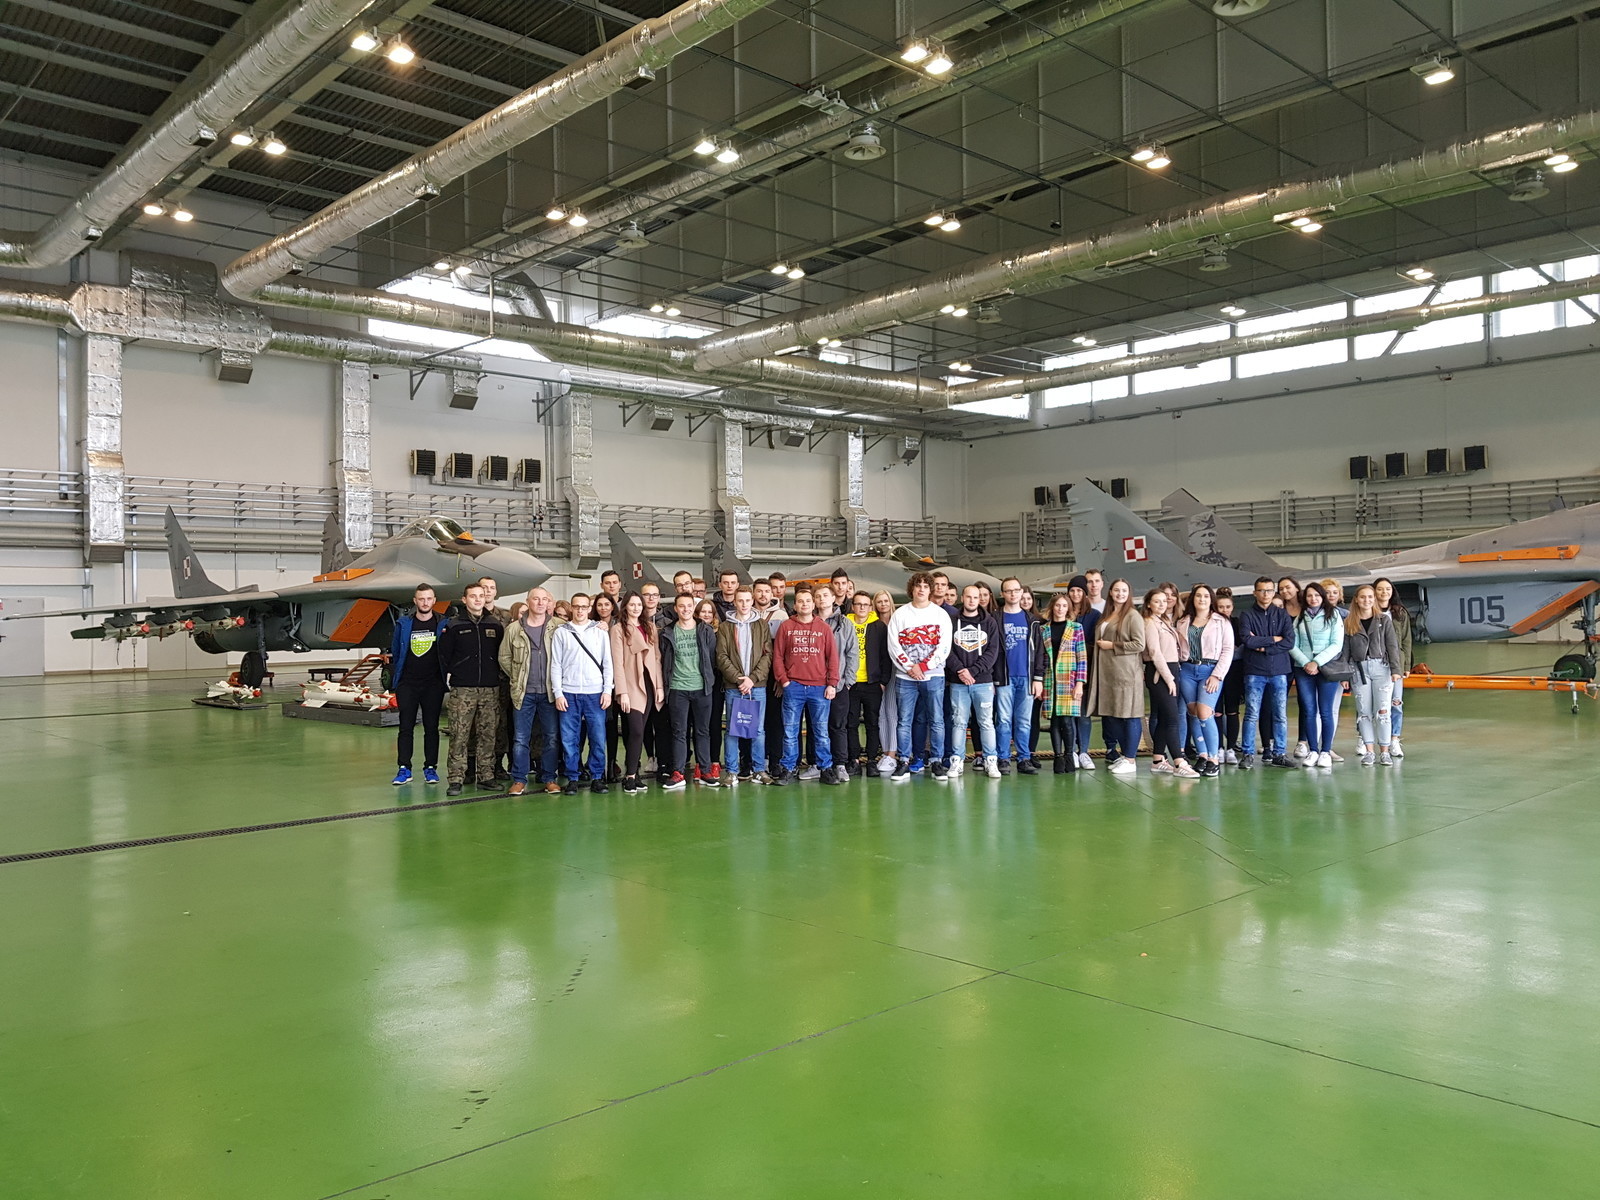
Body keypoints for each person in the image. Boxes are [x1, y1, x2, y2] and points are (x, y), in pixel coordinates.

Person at [438, 582, 505, 796]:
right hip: (463, 689)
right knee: (459, 734)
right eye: (473, 596)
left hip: (490, 689)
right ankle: (456, 778)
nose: (478, 599)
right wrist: (457, 672)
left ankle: (486, 775)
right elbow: (444, 655)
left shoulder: (495, 625)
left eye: (481, 596)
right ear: (464, 599)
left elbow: (501, 654)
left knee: (488, 734)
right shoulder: (454, 625)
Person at [886, 572, 954, 783]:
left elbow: (944, 646)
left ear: (930, 589)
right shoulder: (900, 614)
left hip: (934, 676)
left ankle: (936, 761)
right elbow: (893, 645)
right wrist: (910, 667)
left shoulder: (940, 615)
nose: (922, 589)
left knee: (937, 720)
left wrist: (924, 666)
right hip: (905, 677)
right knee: (904, 721)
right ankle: (903, 761)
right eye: (918, 585)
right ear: (912, 589)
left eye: (926, 586)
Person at [772, 587, 840, 785]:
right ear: (795, 605)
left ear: (813, 604)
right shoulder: (786, 627)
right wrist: (784, 680)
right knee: (790, 731)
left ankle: (825, 768)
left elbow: (832, 658)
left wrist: (832, 683)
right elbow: (778, 656)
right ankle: (788, 768)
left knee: (821, 732)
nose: (804, 604)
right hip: (793, 686)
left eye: (808, 601)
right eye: (800, 601)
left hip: (819, 688)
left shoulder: (823, 628)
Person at [499, 586, 563, 795]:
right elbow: (504, 657)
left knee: (551, 736)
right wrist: (518, 676)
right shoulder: (514, 629)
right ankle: (519, 779)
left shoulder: (559, 627)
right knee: (520, 738)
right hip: (523, 693)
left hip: (550, 693)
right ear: (528, 602)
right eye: (536, 599)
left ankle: (549, 778)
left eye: (545, 599)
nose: (541, 603)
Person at [550, 593, 613, 796]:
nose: (580, 610)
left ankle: (597, 777)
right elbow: (556, 664)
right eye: (576, 606)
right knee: (569, 738)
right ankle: (573, 777)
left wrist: (607, 690)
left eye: (584, 607)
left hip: (595, 693)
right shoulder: (561, 633)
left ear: (589, 609)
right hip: (569, 693)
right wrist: (558, 693)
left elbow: (607, 663)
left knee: (598, 737)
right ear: (571, 608)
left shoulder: (600, 632)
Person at [389, 583, 449, 786]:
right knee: (405, 727)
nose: (425, 602)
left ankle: (430, 768)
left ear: (434, 600)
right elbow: (396, 651)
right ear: (415, 601)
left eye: (428, 599)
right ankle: (404, 768)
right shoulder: (403, 624)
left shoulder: (443, 623)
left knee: (431, 727)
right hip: (408, 684)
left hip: (433, 684)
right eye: (421, 599)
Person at [660, 593, 720, 789]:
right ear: (675, 609)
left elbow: (711, 658)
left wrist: (708, 681)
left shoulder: (706, 630)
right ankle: (678, 772)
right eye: (681, 606)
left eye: (689, 605)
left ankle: (705, 771)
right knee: (679, 732)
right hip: (678, 688)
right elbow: (664, 659)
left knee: (703, 731)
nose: (685, 609)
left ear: (693, 608)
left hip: (702, 688)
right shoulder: (667, 632)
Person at [1086, 579, 1145, 775]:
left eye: (1124, 590)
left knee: (1130, 715)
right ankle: (1124, 756)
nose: (1120, 594)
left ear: (1129, 593)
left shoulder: (1132, 615)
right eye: (1117, 590)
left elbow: (1139, 644)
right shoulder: (1107, 614)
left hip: (1125, 673)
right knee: (1114, 715)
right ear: (1110, 592)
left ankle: (1131, 759)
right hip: (1108, 673)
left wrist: (1112, 646)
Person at [715, 585, 773, 784]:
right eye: (740, 600)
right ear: (735, 602)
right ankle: (732, 771)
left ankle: (759, 770)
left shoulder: (762, 625)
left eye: (748, 600)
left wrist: (752, 679)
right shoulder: (725, 627)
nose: (744, 604)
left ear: (752, 601)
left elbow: (767, 655)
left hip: (757, 687)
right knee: (733, 730)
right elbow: (721, 656)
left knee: (758, 730)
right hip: (734, 688)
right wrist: (739, 679)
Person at [1238, 576, 1295, 769]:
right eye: (1262, 590)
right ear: (1255, 593)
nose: (1266, 594)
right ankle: (1247, 754)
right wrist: (1274, 639)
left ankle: (1279, 753)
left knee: (1280, 714)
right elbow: (1248, 640)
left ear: (1274, 592)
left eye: (1269, 590)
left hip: (1279, 670)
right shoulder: (1246, 615)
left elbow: (1289, 641)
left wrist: (1264, 647)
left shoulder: (1282, 614)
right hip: (1255, 671)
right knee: (1251, 714)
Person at [1175, 583, 1232, 778]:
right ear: (1193, 599)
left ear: (1211, 599)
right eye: (1198, 595)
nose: (1202, 599)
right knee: (1193, 712)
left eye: (1206, 596)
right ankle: (1202, 755)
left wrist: (1217, 675)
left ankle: (1214, 759)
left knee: (1205, 712)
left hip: (1210, 670)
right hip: (1187, 670)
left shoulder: (1221, 621)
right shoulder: (1183, 621)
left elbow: (1227, 650)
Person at [1345, 584, 1405, 766]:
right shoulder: (1349, 622)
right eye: (1363, 597)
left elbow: (1392, 646)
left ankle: (1385, 751)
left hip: (1382, 668)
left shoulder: (1383, 620)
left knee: (1383, 711)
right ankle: (1369, 751)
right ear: (1356, 600)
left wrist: (1396, 670)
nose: (1367, 600)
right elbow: (1345, 650)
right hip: (1359, 669)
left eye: (1370, 597)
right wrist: (1345, 675)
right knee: (1364, 712)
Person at [611, 592, 664, 793]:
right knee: (636, 730)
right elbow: (617, 662)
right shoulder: (618, 629)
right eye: (632, 604)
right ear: (625, 606)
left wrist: (659, 686)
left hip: (649, 683)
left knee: (640, 731)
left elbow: (657, 658)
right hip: (631, 684)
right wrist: (622, 692)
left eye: (638, 605)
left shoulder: (650, 627)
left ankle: (633, 774)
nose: (636, 608)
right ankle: (630, 776)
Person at [946, 584, 1001, 777]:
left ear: (980, 600)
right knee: (959, 722)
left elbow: (992, 652)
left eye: (975, 597)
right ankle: (957, 761)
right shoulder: (951, 621)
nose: (972, 600)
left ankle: (990, 760)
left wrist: (973, 671)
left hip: (983, 682)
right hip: (958, 682)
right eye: (968, 597)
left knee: (986, 722)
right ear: (962, 598)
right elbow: (946, 649)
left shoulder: (990, 622)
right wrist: (960, 671)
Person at [1291, 580, 1345, 769]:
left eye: (1317, 595)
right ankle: (1313, 750)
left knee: (1326, 711)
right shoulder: (1300, 617)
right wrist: (1306, 662)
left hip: (1327, 668)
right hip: (1303, 669)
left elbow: (1336, 644)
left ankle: (1325, 751)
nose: (1313, 599)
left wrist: (1317, 662)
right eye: (1309, 595)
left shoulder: (1334, 615)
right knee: (1308, 710)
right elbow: (1292, 644)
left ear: (1322, 597)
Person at [1143, 588, 1197, 777]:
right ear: (1148, 604)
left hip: (1172, 669)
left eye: (1164, 601)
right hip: (1160, 673)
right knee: (1173, 718)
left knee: (1165, 718)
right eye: (1156, 601)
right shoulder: (1149, 622)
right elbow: (1155, 652)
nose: (1161, 604)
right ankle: (1179, 761)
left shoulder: (1164, 621)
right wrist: (1169, 678)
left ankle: (1158, 759)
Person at [995, 577, 1043, 775]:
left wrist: (1038, 678)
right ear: (1002, 594)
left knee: (1024, 721)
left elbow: (1039, 651)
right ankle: (1003, 758)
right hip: (1003, 678)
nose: (1013, 594)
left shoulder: (1032, 621)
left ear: (1022, 592)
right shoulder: (995, 619)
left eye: (1016, 590)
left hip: (1026, 677)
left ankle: (1024, 758)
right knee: (1003, 720)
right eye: (1009, 591)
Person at [816, 584, 860, 784]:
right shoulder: (809, 622)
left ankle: (840, 764)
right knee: (817, 726)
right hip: (814, 684)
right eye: (818, 596)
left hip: (839, 684)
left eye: (825, 595)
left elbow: (852, 653)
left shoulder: (845, 623)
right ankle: (817, 764)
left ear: (833, 598)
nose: (822, 599)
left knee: (838, 724)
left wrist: (848, 681)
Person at [1039, 592, 1088, 774]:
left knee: (1067, 720)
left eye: (1064, 606)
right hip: (1050, 680)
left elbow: (1082, 657)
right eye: (1057, 605)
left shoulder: (1076, 628)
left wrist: (1080, 683)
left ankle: (1069, 755)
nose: (1060, 609)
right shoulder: (1043, 629)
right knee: (1054, 721)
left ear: (1068, 609)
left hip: (1069, 680)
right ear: (1052, 607)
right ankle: (1057, 757)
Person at [844, 590, 887, 772]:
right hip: (850, 683)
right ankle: (853, 759)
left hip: (872, 683)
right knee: (851, 722)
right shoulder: (845, 623)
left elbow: (885, 655)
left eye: (865, 604)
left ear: (870, 607)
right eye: (858, 604)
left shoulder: (879, 626)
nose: (862, 607)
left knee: (872, 722)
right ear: (853, 606)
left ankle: (871, 760)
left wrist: (883, 680)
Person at [1373, 577, 1412, 757]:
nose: (1384, 592)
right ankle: (1365, 738)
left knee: (1396, 703)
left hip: (1395, 664)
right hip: (1374, 662)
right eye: (1380, 589)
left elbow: (1406, 640)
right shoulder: (1368, 611)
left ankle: (1394, 739)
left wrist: (1406, 665)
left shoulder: (1400, 613)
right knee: (1370, 704)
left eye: (1388, 589)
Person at [1067, 577, 1101, 771]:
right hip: (1065, 670)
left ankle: (1084, 751)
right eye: (1072, 590)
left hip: (1085, 669)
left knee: (1083, 713)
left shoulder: (1094, 615)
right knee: (1069, 713)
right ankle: (1071, 750)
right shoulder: (1063, 612)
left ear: (1085, 593)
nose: (1076, 594)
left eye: (1079, 591)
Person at [1213, 588, 1245, 764]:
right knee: (1216, 711)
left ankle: (1231, 748)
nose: (1224, 610)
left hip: (1234, 671)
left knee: (1232, 710)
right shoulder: (1211, 624)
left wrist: (1228, 653)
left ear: (1232, 608)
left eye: (1227, 607)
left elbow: (1242, 645)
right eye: (1221, 607)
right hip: (1215, 671)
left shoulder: (1237, 623)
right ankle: (1218, 747)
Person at [871, 589, 900, 772]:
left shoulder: (898, 621)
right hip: (878, 672)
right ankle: (885, 751)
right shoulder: (873, 624)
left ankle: (893, 753)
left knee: (892, 711)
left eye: (885, 601)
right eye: (879, 601)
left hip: (896, 670)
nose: (883, 604)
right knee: (881, 713)